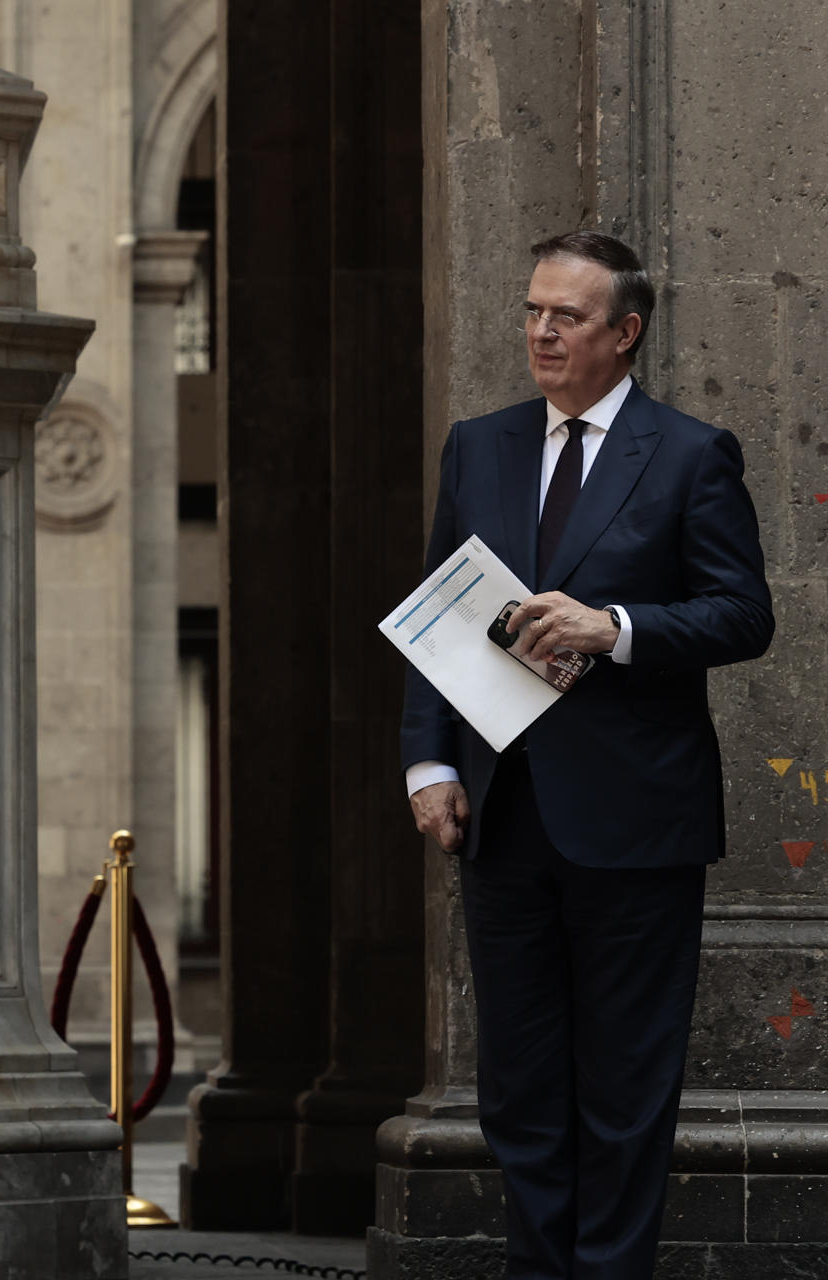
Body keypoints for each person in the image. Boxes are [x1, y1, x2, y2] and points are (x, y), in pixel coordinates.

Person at [401, 232, 774, 1278]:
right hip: (502, 815)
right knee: (518, 1088)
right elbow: (436, 615)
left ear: (626, 331)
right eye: (531, 311)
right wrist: (428, 764)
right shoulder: (480, 445)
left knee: (623, 1087)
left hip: (635, 820)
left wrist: (614, 626)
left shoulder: (693, 452)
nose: (542, 330)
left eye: (566, 315)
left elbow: (746, 615)